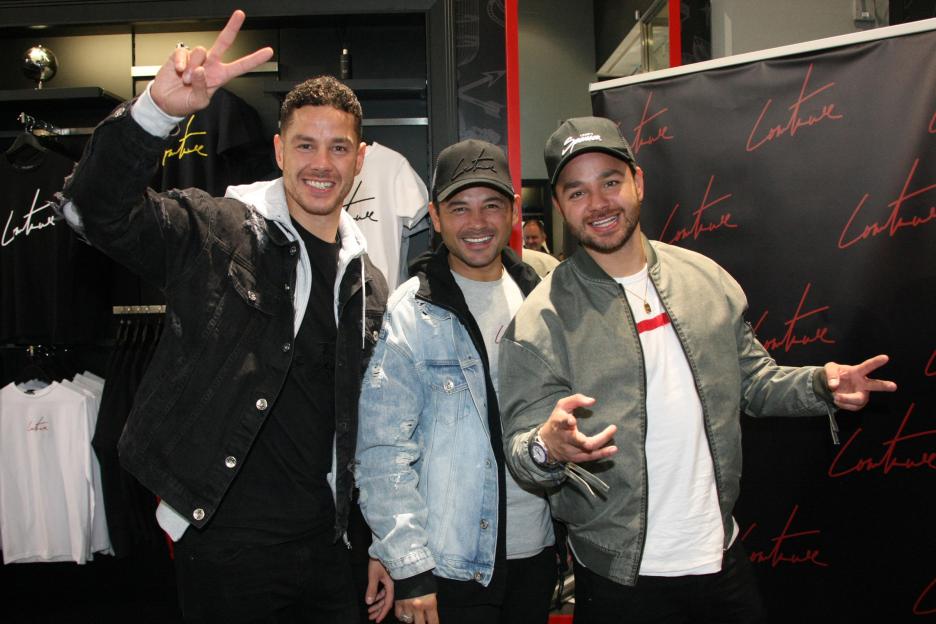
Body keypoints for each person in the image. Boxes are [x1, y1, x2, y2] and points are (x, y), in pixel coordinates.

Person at [54, 11, 393, 623]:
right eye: (305, 145)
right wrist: (157, 111)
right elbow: (91, 211)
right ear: (277, 150)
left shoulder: (365, 281)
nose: (322, 163)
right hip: (225, 543)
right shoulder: (219, 230)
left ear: (360, 158)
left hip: (328, 547)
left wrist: (372, 544)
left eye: (339, 147)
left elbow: (362, 428)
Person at [497, 116, 898, 624]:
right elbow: (520, 449)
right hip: (618, 577)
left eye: (611, 183)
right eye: (577, 192)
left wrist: (821, 384)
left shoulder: (704, 279)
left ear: (638, 182)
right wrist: (546, 447)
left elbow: (754, 382)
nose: (598, 204)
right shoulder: (540, 319)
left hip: (720, 557)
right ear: (558, 206)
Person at [355, 139, 558, 624]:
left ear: (513, 211)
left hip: (536, 556)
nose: (478, 222)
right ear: (436, 217)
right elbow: (383, 452)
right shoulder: (412, 312)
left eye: (492, 205)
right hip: (450, 567)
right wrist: (410, 567)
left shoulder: (542, 297)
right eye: (460, 207)